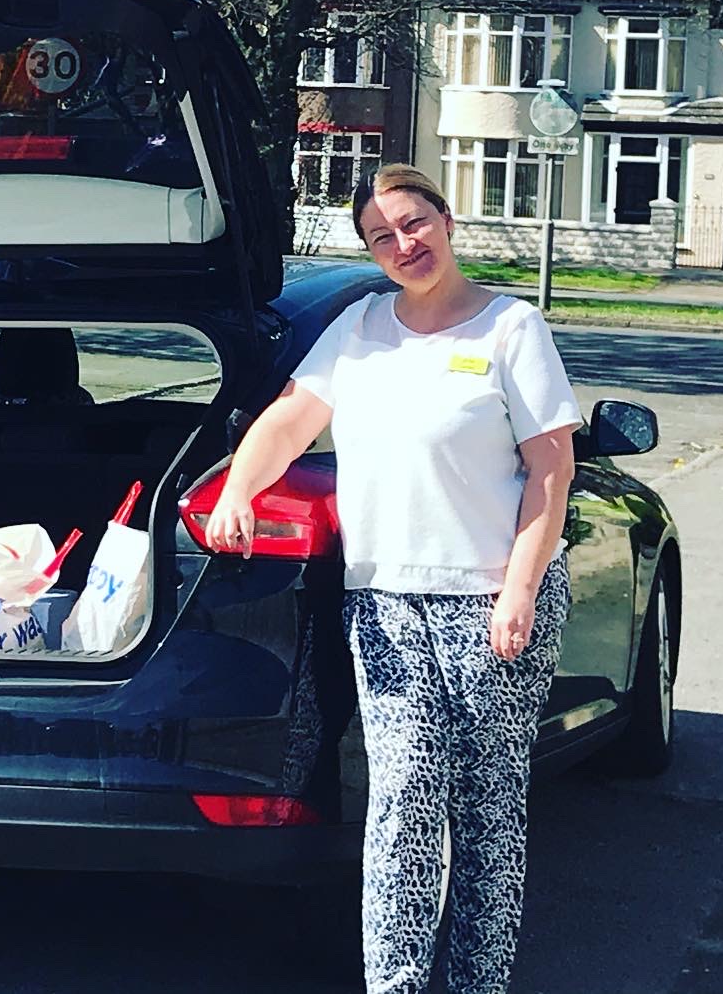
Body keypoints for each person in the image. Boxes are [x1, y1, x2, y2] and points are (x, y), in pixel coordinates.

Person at [205, 163, 579, 994]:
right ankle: (395, 984)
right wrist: (239, 487)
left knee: (485, 811)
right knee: (403, 805)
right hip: (385, 603)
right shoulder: (362, 327)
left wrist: (519, 590)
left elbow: (551, 471)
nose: (404, 244)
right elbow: (292, 419)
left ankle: (478, 982)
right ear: (371, 251)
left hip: (492, 600)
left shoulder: (511, 328)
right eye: (383, 236)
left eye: (415, 223)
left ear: (446, 221)